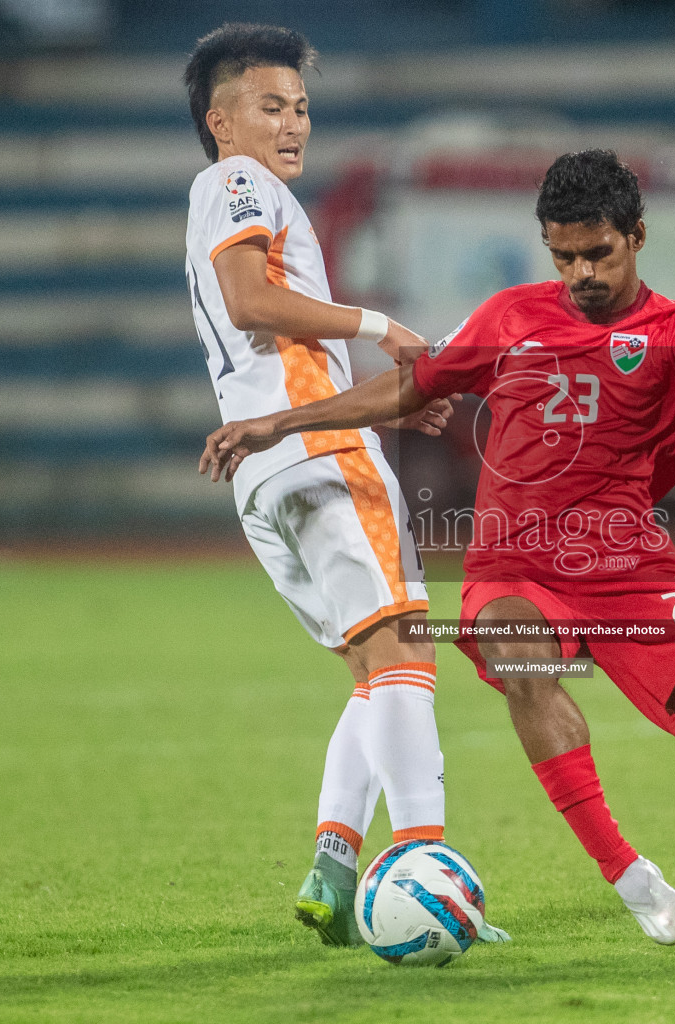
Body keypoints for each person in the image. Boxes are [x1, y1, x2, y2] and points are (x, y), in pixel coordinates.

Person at [202, 150, 675, 947]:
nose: (579, 273)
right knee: (519, 658)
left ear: (636, 236)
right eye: (563, 256)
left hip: (632, 570)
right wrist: (282, 421)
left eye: (597, 253)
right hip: (514, 567)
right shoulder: (509, 317)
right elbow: (413, 384)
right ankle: (629, 874)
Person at [181, 23, 478, 949]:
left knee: (377, 666)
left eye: (301, 107)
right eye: (271, 107)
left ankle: (336, 867)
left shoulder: (239, 193)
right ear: (220, 121)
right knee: (404, 658)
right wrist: (379, 322)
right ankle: (424, 877)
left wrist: (388, 405)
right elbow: (250, 301)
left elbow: (282, 349)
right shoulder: (238, 183)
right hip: (315, 457)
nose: (293, 123)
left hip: (277, 464)